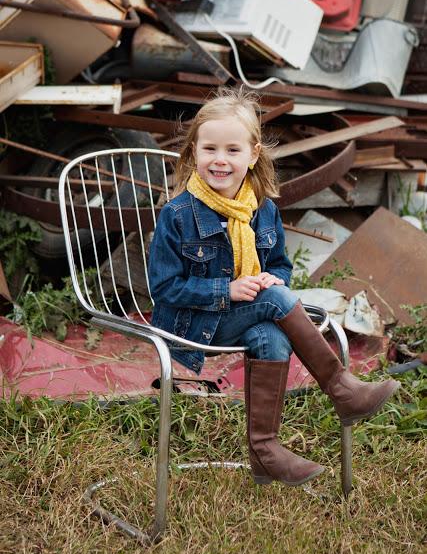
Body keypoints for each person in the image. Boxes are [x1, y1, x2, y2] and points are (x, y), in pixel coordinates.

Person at [148, 87, 400, 487]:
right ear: (194, 152)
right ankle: (341, 389)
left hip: (244, 314)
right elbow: (163, 288)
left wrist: (273, 279)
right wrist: (226, 290)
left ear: (252, 155)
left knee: (270, 335)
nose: (220, 159)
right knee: (273, 301)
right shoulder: (178, 214)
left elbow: (280, 265)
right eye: (210, 148)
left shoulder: (262, 208)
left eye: (233, 150)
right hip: (190, 325)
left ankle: (264, 450)